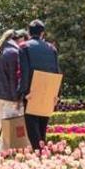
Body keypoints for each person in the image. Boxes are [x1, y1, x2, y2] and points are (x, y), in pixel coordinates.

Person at [0, 29, 27, 154]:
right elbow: (14, 78)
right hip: (9, 96)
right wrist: (18, 98)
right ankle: (5, 151)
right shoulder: (14, 52)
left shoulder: (1, 50)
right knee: (9, 125)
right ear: (18, 39)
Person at [17, 19, 61, 150]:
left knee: (32, 126)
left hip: (32, 90)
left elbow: (24, 71)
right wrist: (56, 94)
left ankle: (39, 154)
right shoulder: (52, 48)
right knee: (42, 128)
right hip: (48, 89)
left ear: (29, 32)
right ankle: (43, 152)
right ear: (43, 33)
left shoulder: (24, 47)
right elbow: (56, 71)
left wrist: (23, 92)